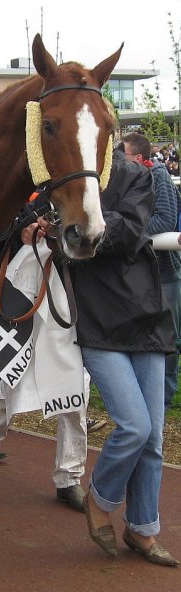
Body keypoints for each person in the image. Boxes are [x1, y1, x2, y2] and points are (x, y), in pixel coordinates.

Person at [71, 146, 178, 566]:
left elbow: (133, 228)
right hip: (97, 320)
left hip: (145, 316)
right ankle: (100, 499)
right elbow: (44, 224)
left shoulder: (136, 174)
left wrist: (81, 229)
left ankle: (142, 528)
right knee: (134, 426)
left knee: (152, 437)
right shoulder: (62, 178)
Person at [0, 233, 89, 512]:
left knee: (76, 387)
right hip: (34, 288)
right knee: (16, 378)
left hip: (77, 297)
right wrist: (32, 226)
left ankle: (69, 477)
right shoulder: (40, 194)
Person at [122, 132, 181, 411]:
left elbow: (165, 220)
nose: (121, 162)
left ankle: (165, 398)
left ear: (140, 159)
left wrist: (129, 232)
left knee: (168, 337)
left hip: (164, 272)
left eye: (125, 156)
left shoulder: (159, 177)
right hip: (141, 272)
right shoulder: (133, 179)